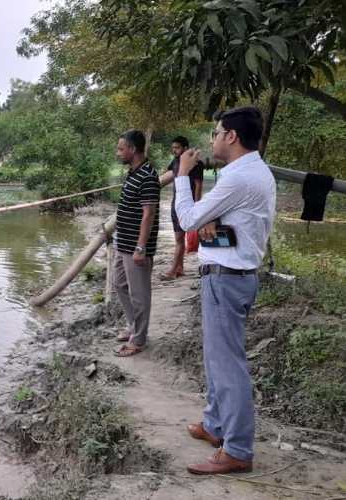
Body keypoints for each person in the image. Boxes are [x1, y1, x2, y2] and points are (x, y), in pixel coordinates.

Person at [174, 106, 275, 475]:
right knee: (217, 358)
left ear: (231, 136)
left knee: (228, 366)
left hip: (227, 278)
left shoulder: (240, 178)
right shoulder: (250, 172)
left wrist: (182, 175)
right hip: (231, 274)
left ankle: (237, 450)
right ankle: (215, 425)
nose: (213, 139)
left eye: (217, 132)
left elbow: (188, 219)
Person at [112, 130, 160, 357]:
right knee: (119, 284)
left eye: (121, 148)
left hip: (136, 247)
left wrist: (141, 247)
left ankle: (139, 339)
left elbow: (148, 214)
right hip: (123, 243)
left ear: (133, 149)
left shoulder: (148, 176)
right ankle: (133, 326)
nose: (118, 152)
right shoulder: (134, 173)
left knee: (139, 295)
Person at [161, 136, 204, 280]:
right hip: (175, 204)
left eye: (177, 148)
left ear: (185, 148)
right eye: (173, 148)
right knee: (178, 238)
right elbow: (167, 175)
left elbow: (198, 184)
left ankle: (173, 270)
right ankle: (179, 268)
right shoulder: (175, 161)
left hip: (188, 204)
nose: (174, 150)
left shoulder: (196, 164)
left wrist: (196, 205)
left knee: (180, 239)